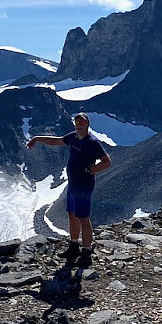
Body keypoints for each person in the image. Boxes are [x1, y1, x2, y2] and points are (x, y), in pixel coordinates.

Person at [26, 112, 111, 266]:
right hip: (72, 185)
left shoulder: (93, 142)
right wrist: (37, 138)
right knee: (72, 215)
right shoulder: (73, 137)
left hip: (83, 186)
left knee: (83, 218)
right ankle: (73, 246)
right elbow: (57, 141)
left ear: (88, 124)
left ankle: (86, 253)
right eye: (77, 122)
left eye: (82, 122)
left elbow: (107, 162)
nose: (79, 124)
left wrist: (91, 170)